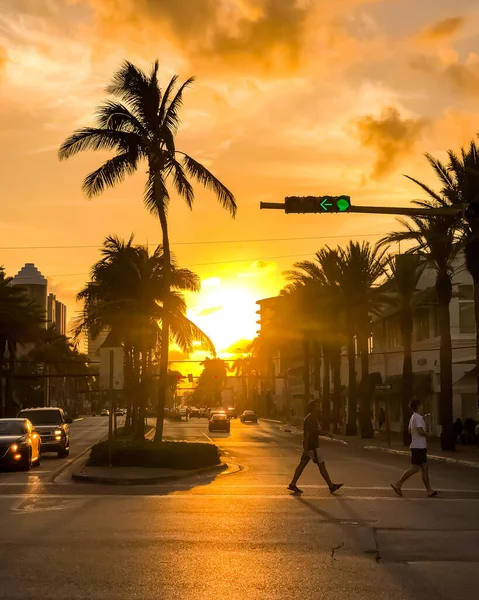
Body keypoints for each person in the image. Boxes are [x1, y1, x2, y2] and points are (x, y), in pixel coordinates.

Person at [288, 400, 343, 494]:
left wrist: (326, 434)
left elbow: (315, 432)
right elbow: (307, 435)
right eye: (317, 406)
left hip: (311, 447)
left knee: (302, 465)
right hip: (312, 447)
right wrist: (306, 449)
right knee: (321, 466)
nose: (319, 408)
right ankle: (331, 486)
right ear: (313, 408)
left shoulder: (312, 418)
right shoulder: (310, 419)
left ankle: (293, 484)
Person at [391, 398, 439, 498]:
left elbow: (409, 431)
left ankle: (429, 490)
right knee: (415, 468)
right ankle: (398, 484)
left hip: (418, 446)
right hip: (419, 447)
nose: (423, 407)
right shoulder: (418, 418)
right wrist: (427, 434)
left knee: (424, 468)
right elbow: (420, 431)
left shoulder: (413, 417)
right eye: (421, 405)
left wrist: (417, 434)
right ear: (418, 406)